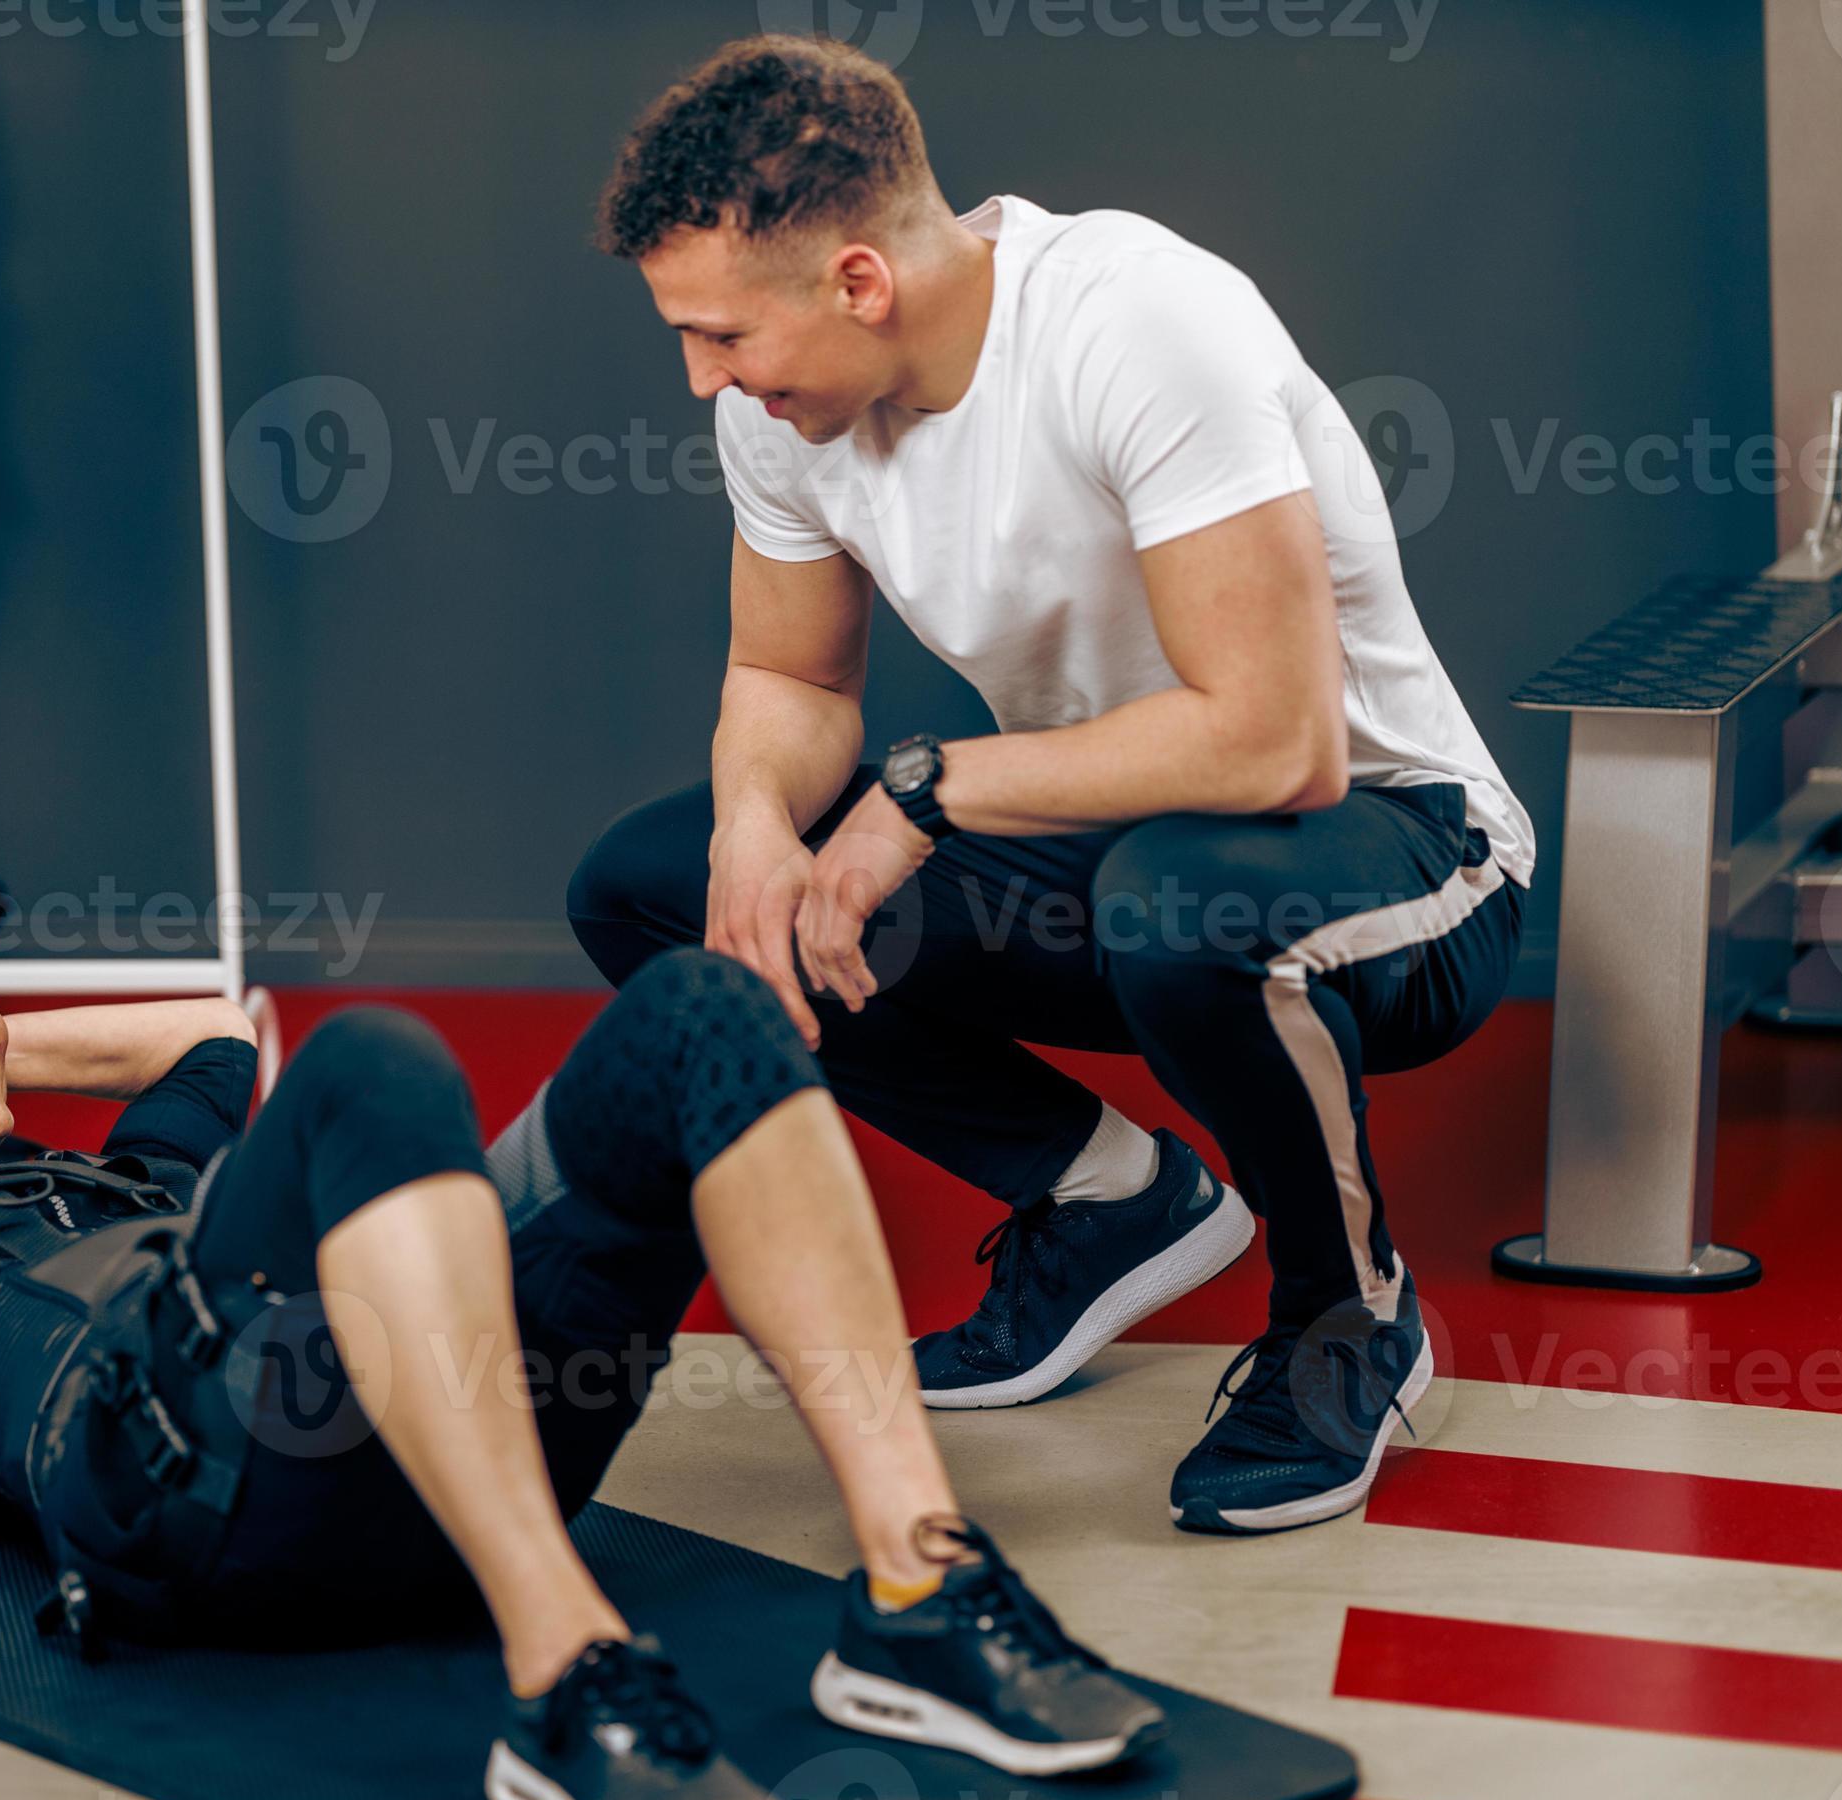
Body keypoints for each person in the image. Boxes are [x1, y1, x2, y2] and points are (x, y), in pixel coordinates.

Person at [0, 879, 1165, 1800]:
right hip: (185, 1484)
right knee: (376, 1066)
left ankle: (919, 1583)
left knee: (701, 1010)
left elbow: (213, 1034)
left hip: (384, 1420)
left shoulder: (139, 1181)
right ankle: (566, 1672)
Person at [572, 36, 1532, 1537]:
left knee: (1179, 897)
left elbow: (1280, 746)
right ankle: (1106, 1204)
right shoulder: (788, 417)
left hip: (1402, 855)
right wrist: (757, 828)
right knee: (659, 884)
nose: (703, 377)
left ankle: (1352, 1319)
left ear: (858, 284)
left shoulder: (1136, 321)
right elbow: (792, 683)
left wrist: (925, 790)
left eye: (719, 337)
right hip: (1123, 849)